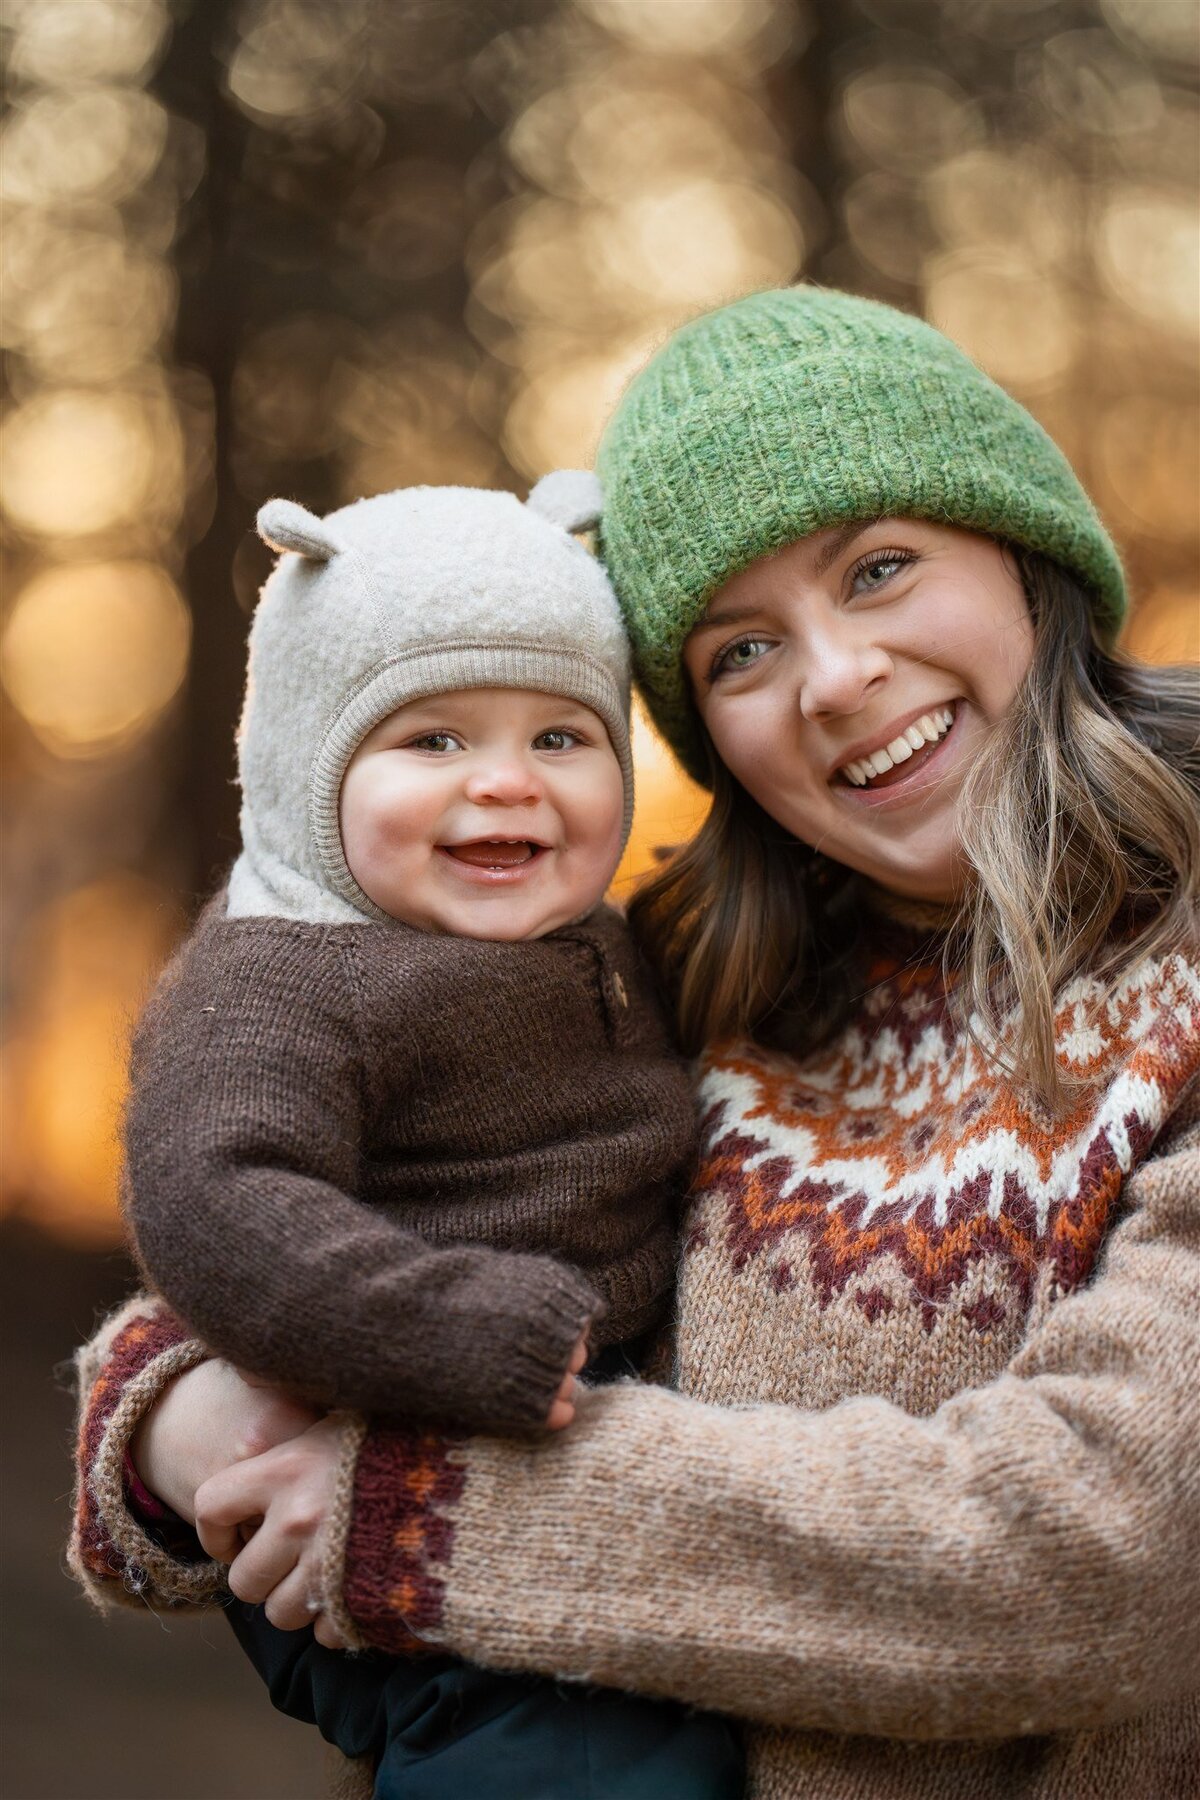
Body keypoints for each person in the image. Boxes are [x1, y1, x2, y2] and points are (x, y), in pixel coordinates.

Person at [71, 287, 1200, 1800]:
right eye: (740, 651)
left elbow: (1095, 1554)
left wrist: (419, 1512)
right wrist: (168, 1413)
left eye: (879, 569)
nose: (835, 677)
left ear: (1029, 562)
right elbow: (308, 1213)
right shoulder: (683, 974)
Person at [76, 476, 742, 1800]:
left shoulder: (601, 939)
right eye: (432, 741)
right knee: (586, 1767)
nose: (507, 784)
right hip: (390, 1446)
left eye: (563, 738)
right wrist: (461, 1331)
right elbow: (221, 1207)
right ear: (304, 764)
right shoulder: (278, 981)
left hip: (559, 1434)